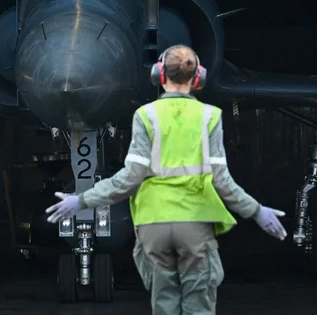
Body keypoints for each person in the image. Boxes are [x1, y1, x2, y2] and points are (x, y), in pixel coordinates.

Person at [46, 44, 288, 314]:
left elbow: (129, 178)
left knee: (164, 301)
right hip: (194, 224)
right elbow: (222, 180)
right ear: (199, 77)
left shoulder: (146, 116)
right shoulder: (209, 116)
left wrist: (82, 200)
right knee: (198, 302)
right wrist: (256, 211)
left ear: (159, 74)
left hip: (154, 224)